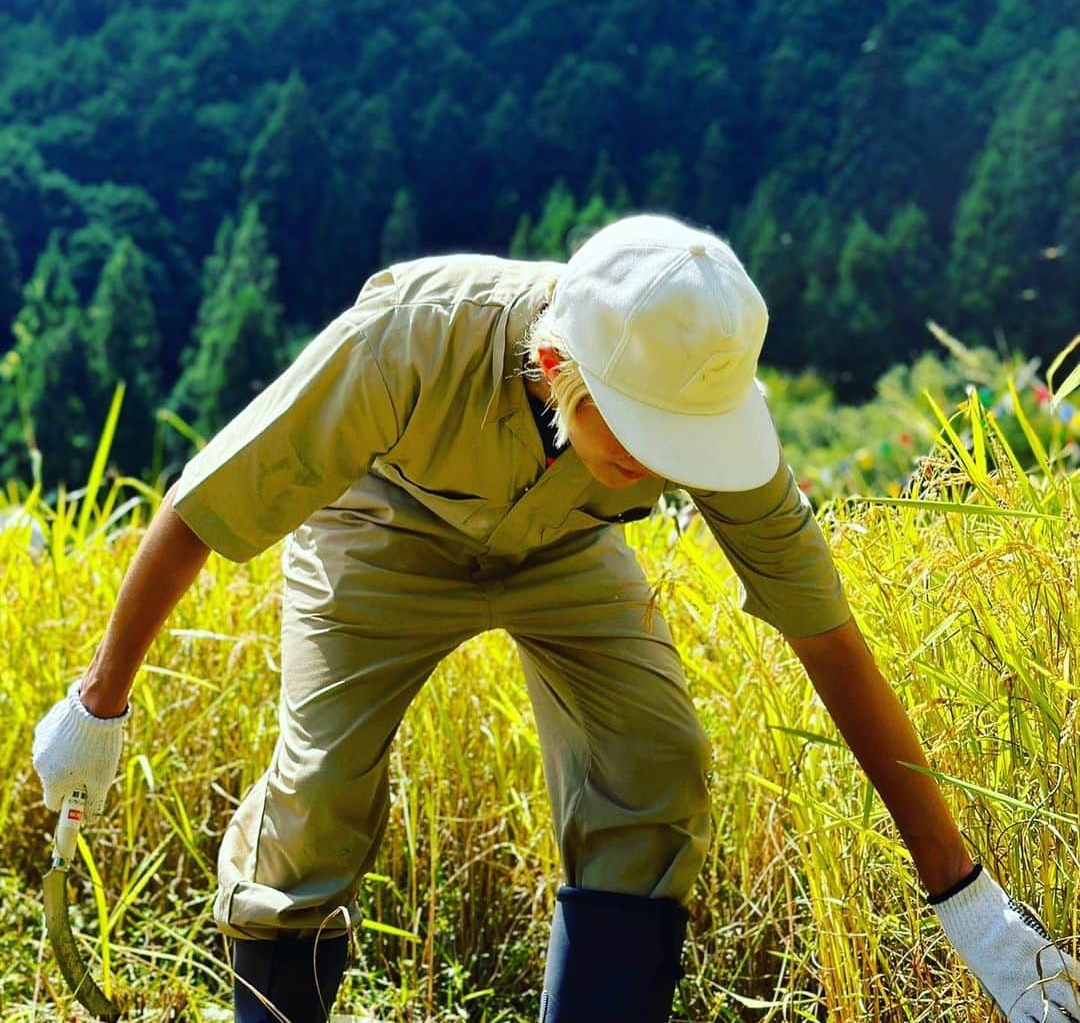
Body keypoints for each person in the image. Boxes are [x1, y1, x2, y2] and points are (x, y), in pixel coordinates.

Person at [33, 213, 1080, 1022]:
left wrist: (965, 897)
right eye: (639, 442)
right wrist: (100, 704)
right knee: (322, 789)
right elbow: (203, 505)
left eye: (686, 449)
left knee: (656, 763)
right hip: (381, 527)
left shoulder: (696, 409)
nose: (669, 471)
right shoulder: (410, 339)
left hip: (567, 543)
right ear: (554, 369)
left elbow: (828, 638)